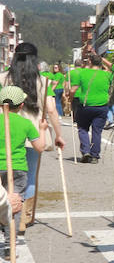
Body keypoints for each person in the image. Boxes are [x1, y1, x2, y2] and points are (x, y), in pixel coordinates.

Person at [2, 42, 65, 232]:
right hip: (33, 137)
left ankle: (4, 213)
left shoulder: (2, 78)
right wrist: (58, 135)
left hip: (4, 133)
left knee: (3, 176)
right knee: (27, 178)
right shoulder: (44, 82)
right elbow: (52, 110)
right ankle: (22, 218)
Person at [0, 85, 45, 258]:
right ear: (20, 105)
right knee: (14, 205)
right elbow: (40, 147)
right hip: (18, 169)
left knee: (2, 202)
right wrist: (42, 129)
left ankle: (4, 232)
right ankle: (10, 243)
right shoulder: (26, 123)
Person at [70, 53, 114, 163]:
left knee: (83, 128)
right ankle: (95, 155)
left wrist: (70, 98)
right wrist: (105, 61)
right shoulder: (107, 75)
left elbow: (73, 90)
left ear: (89, 61)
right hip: (101, 106)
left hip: (85, 105)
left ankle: (86, 151)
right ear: (101, 62)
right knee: (97, 131)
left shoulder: (83, 73)